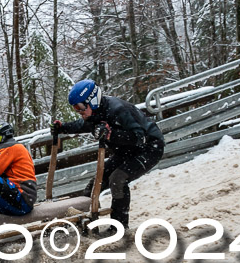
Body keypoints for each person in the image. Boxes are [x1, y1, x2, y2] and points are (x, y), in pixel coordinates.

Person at [51, 79, 164, 230]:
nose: (79, 112)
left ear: (92, 100)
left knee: (117, 180)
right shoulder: (94, 113)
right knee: (96, 182)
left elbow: (139, 137)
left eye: (80, 107)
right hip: (126, 150)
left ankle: (119, 227)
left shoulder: (118, 110)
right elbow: (83, 125)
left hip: (149, 148)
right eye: (75, 108)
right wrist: (63, 128)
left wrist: (111, 135)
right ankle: (85, 221)